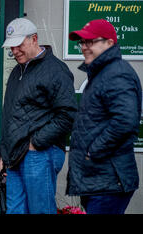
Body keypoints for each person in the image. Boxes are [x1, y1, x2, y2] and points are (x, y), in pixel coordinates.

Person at [0, 18, 77, 214]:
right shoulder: (17, 71)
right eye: (12, 47)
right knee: (14, 211)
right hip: (15, 155)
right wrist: (4, 153)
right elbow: (10, 114)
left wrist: (36, 143)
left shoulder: (56, 70)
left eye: (19, 45)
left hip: (39, 153)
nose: (15, 51)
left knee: (40, 211)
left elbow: (68, 115)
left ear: (34, 39)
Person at [67, 19, 141, 214]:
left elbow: (125, 121)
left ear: (109, 43)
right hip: (99, 179)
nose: (84, 47)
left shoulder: (116, 74)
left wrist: (93, 151)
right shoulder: (102, 74)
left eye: (90, 42)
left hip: (108, 180)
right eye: (82, 42)